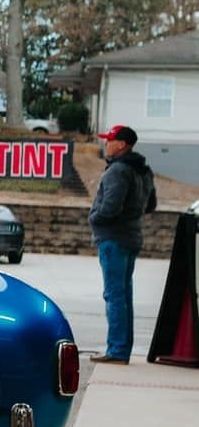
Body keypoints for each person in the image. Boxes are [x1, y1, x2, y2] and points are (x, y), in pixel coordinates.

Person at [88, 124, 157, 363]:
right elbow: (150, 205)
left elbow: (110, 207)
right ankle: (122, 348)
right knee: (124, 296)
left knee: (114, 295)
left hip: (113, 239)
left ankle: (117, 350)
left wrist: (94, 217)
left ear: (121, 144)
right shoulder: (143, 170)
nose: (106, 143)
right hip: (131, 237)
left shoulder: (118, 170)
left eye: (110, 140)